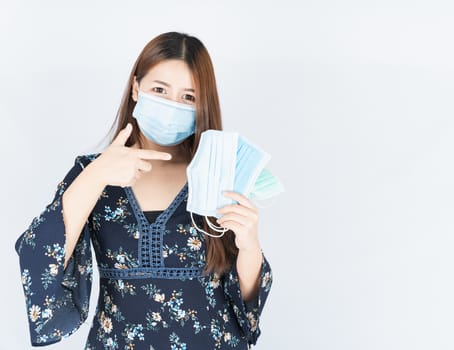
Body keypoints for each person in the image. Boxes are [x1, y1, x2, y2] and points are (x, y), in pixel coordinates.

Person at [14, 31, 273, 350]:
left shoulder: (220, 174)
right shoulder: (92, 172)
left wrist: (249, 244)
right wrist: (96, 176)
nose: (172, 105)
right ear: (136, 87)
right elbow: (39, 253)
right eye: (160, 90)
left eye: (188, 97)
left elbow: (246, 305)